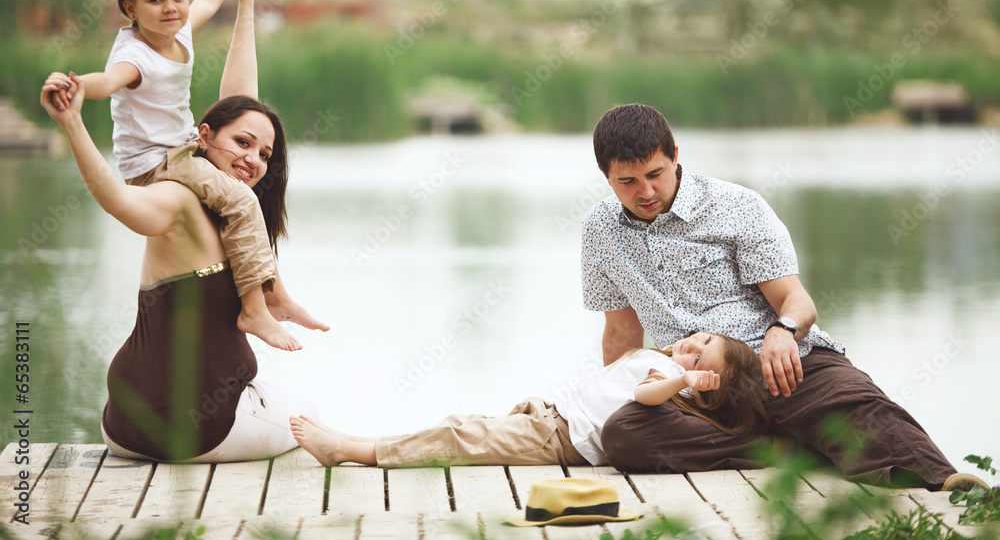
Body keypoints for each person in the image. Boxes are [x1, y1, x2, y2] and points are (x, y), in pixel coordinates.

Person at [581, 103, 981, 492]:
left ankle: (947, 488)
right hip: (695, 389)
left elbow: (797, 302)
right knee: (623, 434)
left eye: (656, 174)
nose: (647, 191)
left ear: (676, 157)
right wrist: (607, 397)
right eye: (628, 182)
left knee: (861, 409)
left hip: (779, 363)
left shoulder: (737, 206)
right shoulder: (599, 230)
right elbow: (620, 333)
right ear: (605, 174)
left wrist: (782, 330)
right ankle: (786, 449)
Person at [40, 0, 319, 462]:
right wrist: (73, 122)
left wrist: (245, 0)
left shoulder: (217, 200)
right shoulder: (179, 196)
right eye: (244, 144)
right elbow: (121, 201)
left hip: (125, 425)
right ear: (204, 137)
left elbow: (241, 99)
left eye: (265, 154)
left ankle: (273, 298)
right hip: (194, 429)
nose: (254, 160)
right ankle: (263, 307)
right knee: (307, 413)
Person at [288, 331, 768, 468]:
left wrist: (683, 382)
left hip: (559, 439)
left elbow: (645, 395)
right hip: (548, 414)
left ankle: (353, 451)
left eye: (704, 357)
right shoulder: (662, 358)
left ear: (706, 385)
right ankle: (357, 439)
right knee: (461, 425)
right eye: (702, 337)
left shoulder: (667, 379)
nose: (694, 346)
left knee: (460, 439)